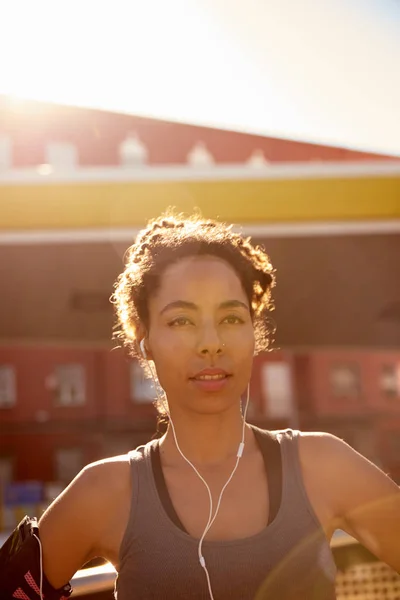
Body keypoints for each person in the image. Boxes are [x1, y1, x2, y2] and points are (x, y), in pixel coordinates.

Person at [5, 212, 400, 599]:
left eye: (231, 318)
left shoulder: (325, 465)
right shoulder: (103, 492)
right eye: (181, 321)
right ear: (145, 340)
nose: (211, 343)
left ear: (253, 334)